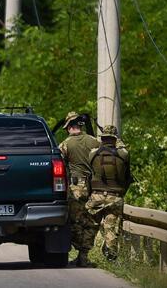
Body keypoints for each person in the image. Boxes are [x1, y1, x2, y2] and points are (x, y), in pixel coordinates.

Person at [58, 111, 100, 267]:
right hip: (95, 187)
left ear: (69, 127)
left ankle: (80, 254)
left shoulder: (65, 144)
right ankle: (84, 255)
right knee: (90, 222)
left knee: (75, 222)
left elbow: (56, 163)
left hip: (76, 188)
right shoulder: (94, 142)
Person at [87, 125, 132, 262]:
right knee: (111, 228)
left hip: (96, 196)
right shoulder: (123, 154)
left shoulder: (93, 153)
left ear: (102, 138)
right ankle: (111, 257)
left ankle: (83, 256)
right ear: (114, 139)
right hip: (115, 197)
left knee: (89, 226)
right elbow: (127, 176)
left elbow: (90, 173)